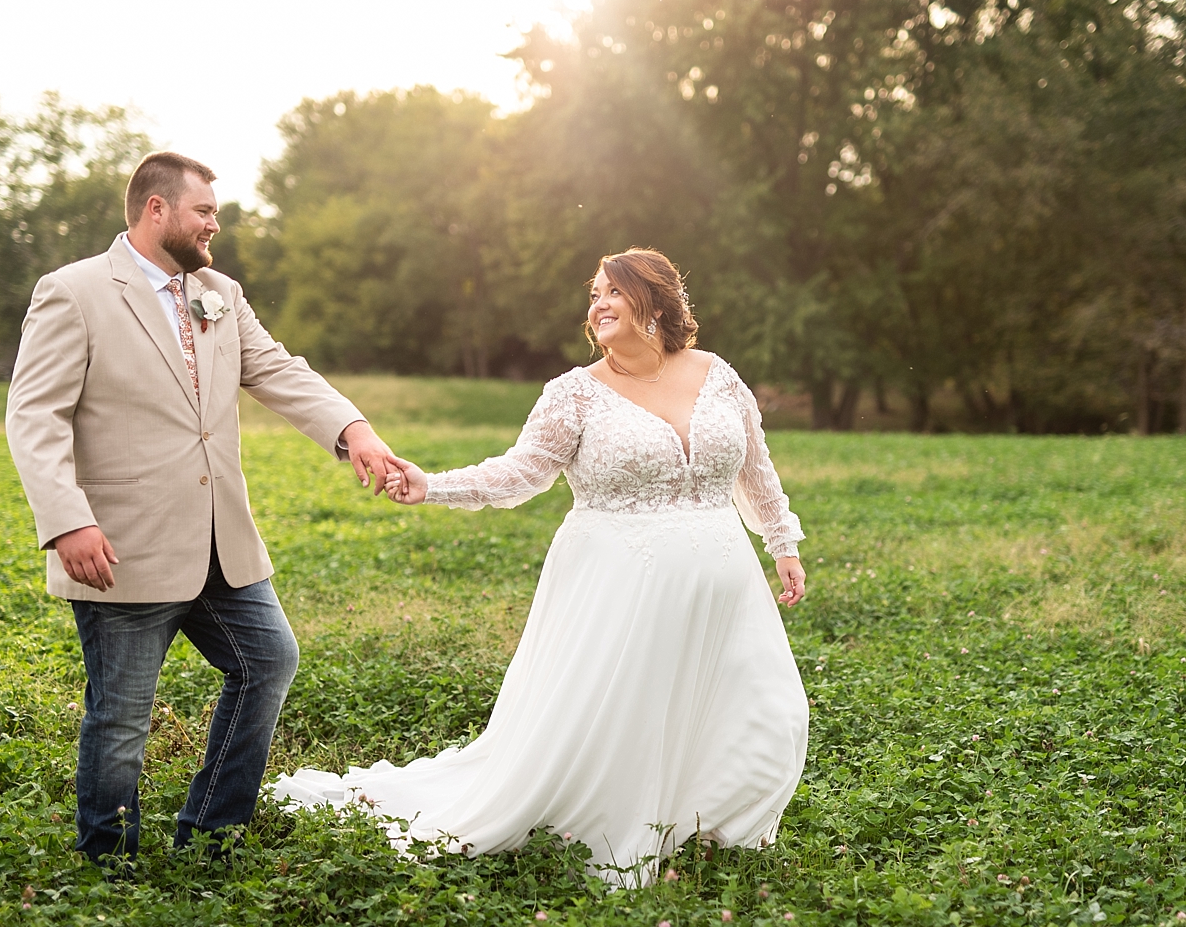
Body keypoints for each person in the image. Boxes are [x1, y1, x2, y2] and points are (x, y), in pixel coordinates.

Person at [271, 248, 809, 884]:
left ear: (656, 301)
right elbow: (519, 473)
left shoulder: (717, 375)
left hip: (727, 582)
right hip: (618, 584)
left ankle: (716, 819)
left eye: (614, 291)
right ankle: (619, 822)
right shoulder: (575, 394)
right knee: (628, 717)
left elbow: (755, 468)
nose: (599, 304)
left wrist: (782, 541)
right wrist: (432, 485)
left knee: (767, 707)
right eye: (595, 294)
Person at [5, 151, 401, 868]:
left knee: (268, 661)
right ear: (157, 210)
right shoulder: (75, 291)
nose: (215, 224)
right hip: (121, 545)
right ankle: (106, 863)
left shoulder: (219, 291)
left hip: (221, 542)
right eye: (204, 211)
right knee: (121, 718)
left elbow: (276, 368)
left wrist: (354, 430)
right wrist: (67, 520)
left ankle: (212, 836)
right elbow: (35, 415)